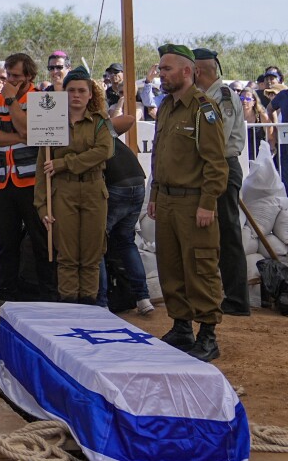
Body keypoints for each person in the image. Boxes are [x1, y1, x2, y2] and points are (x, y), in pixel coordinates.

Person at [152, 44, 228, 362]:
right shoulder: (167, 106)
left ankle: (208, 335)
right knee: (170, 267)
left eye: (166, 68)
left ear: (187, 71)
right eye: (160, 68)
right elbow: (159, 156)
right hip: (167, 201)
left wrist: (208, 202)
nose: (160, 73)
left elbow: (215, 163)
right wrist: (155, 195)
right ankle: (181, 327)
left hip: (193, 202)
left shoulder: (203, 109)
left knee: (200, 266)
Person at [36, 67, 114, 303]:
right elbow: (42, 167)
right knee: (67, 255)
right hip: (63, 192)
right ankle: (69, 307)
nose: (76, 96)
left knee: (91, 254)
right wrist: (42, 206)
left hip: (93, 190)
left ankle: (89, 307)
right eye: (71, 91)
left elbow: (104, 151)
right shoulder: (50, 122)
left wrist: (65, 163)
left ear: (91, 94)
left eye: (82, 91)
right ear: (63, 93)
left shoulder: (100, 122)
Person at [0, 52, 54, 304]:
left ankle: (48, 296)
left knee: (41, 241)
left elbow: (29, 129)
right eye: (7, 75)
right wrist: (22, 136)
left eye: (15, 76)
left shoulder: (43, 100)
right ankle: (5, 295)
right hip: (2, 181)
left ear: (29, 77)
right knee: (7, 244)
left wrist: (13, 103)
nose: (9, 80)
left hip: (33, 182)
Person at [193, 48, 250, 316]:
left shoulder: (222, 97)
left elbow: (217, 139)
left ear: (197, 71)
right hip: (214, 168)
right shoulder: (206, 96)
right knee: (213, 233)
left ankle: (237, 300)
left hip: (222, 167)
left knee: (228, 234)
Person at [98, 110, 154, 315]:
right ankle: (143, 297)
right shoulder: (101, 130)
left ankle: (102, 303)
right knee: (125, 241)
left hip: (117, 185)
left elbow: (129, 118)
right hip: (137, 181)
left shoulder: (92, 129)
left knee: (97, 244)